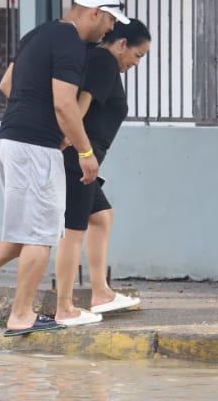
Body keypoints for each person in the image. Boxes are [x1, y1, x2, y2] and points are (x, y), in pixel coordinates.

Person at [0, 0, 128, 336]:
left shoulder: (39, 34)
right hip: (36, 147)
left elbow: (7, 84)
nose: (111, 28)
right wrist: (85, 152)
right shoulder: (71, 45)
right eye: (110, 19)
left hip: (11, 140)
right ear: (94, 12)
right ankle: (21, 316)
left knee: (28, 227)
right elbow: (65, 104)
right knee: (40, 235)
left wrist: (32, 111)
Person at [53, 19, 150, 321]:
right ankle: (65, 307)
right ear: (122, 44)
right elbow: (78, 106)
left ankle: (100, 292)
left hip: (83, 158)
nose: (136, 63)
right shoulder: (104, 62)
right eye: (138, 55)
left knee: (102, 217)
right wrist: (73, 143)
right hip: (80, 159)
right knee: (73, 231)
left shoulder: (98, 61)